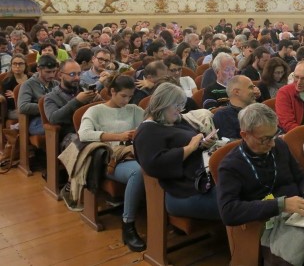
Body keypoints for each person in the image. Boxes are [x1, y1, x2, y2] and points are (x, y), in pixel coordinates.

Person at [217, 103, 304, 266]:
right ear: (244, 135)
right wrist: (280, 205)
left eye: (274, 135)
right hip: (270, 221)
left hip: (301, 212)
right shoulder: (231, 166)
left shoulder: (280, 146)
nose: (272, 144)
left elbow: (301, 177)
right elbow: (228, 212)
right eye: (265, 139)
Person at [134, 83, 220, 221]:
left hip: (203, 177)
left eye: (181, 106)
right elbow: (154, 164)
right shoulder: (147, 132)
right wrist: (190, 148)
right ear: (163, 104)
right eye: (176, 106)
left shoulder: (175, 121)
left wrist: (201, 144)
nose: (180, 110)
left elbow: (190, 143)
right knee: (236, 200)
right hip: (186, 190)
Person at [78, 75, 146, 251]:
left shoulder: (134, 109)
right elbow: (83, 134)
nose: (127, 100)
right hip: (109, 159)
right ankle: (128, 224)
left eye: (130, 96)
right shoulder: (95, 111)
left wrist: (139, 132)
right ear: (112, 92)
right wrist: (118, 136)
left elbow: (150, 124)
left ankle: (158, 215)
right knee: (138, 172)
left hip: (131, 154)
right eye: (123, 96)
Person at [44, 59, 98, 141]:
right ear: (60, 75)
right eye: (72, 74)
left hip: (90, 129)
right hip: (69, 135)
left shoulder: (84, 89)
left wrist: (98, 100)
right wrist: (77, 101)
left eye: (79, 74)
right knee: (91, 146)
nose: (77, 78)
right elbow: (53, 119)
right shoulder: (51, 97)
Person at [18, 55, 59, 135]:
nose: (52, 75)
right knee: (59, 128)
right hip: (37, 120)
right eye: (48, 72)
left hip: (55, 116)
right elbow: (22, 107)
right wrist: (48, 107)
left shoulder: (56, 84)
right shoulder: (28, 85)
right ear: (38, 70)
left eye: (54, 71)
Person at [1, 54, 29, 121]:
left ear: (25, 65)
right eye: (14, 63)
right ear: (11, 65)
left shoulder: (31, 77)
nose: (17, 66)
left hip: (30, 105)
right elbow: (11, 103)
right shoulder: (7, 82)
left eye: (20, 63)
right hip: (14, 110)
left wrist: (16, 95)